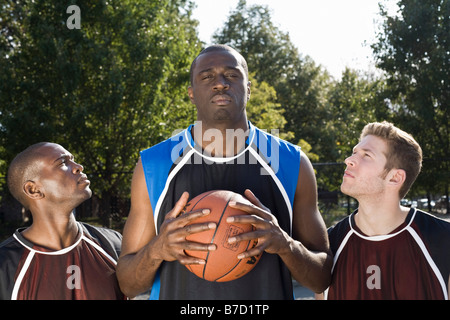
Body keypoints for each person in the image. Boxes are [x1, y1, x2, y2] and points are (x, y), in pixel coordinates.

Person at [116, 44, 332, 299]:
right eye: (207, 77)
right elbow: (128, 285)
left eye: (231, 75)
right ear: (191, 94)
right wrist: (157, 250)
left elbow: (322, 278)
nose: (220, 84)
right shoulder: (154, 165)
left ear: (248, 89)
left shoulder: (291, 162)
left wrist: (285, 245)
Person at [320, 121, 450, 300]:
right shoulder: (328, 245)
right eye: (354, 153)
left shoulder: (443, 241)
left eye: (366, 155)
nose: (349, 160)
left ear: (395, 177)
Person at [0, 142, 125, 300]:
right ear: (34, 189)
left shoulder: (114, 245)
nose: (78, 166)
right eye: (63, 163)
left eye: (73, 159)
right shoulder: (5, 266)